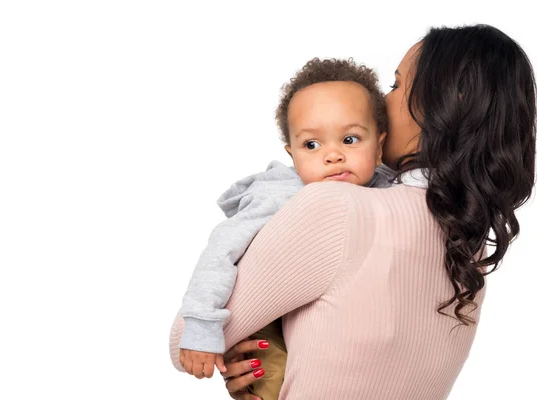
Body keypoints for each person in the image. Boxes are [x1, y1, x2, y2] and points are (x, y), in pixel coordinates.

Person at [170, 24, 536, 400]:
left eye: (395, 86)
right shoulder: (468, 238)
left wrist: (248, 357)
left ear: (443, 101)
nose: (380, 100)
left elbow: (184, 340)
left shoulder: (334, 205)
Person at [177, 58, 392, 399]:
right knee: (271, 380)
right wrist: (202, 325)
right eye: (311, 145)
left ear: (379, 146)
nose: (333, 155)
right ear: (292, 155)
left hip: (339, 329)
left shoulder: (391, 191)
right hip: (268, 319)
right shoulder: (280, 194)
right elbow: (223, 248)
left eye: (350, 139)